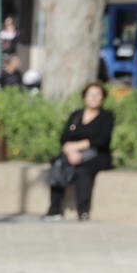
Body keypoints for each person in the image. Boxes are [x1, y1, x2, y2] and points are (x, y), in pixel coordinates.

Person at [44, 81, 114, 223]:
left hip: (96, 155)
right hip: (72, 153)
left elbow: (102, 139)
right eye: (90, 94)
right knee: (58, 165)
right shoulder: (76, 115)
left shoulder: (106, 117)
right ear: (84, 97)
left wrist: (78, 147)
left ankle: (83, 210)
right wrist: (70, 151)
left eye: (97, 95)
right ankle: (54, 209)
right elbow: (65, 137)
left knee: (83, 170)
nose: (93, 98)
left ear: (103, 98)